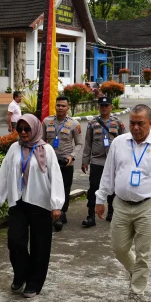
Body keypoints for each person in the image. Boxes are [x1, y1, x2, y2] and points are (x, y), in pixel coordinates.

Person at [96, 104, 151, 302]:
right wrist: (101, 198)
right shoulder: (119, 143)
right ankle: (137, 274)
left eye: (140, 123)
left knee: (144, 254)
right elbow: (108, 173)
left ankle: (135, 294)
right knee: (119, 248)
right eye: (132, 122)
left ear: (150, 123)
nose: (135, 127)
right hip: (121, 205)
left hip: (148, 206)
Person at [0, 114, 65, 298]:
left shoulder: (46, 150)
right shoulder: (14, 149)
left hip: (41, 203)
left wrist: (56, 205)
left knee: (41, 244)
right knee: (15, 242)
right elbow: (4, 174)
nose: (23, 132)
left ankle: (34, 282)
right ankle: (20, 274)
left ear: (35, 129)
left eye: (27, 129)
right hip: (18, 202)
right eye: (20, 129)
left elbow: (55, 177)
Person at [81, 95, 125, 227]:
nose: (104, 108)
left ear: (111, 107)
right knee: (94, 188)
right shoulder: (92, 123)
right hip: (97, 161)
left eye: (107, 106)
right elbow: (88, 143)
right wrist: (85, 161)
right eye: (102, 106)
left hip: (114, 162)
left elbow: (125, 142)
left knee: (114, 187)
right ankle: (91, 216)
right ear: (98, 107)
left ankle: (112, 212)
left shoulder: (117, 122)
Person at [43, 96, 82, 232]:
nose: (60, 108)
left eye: (63, 106)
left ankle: (61, 213)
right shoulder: (47, 121)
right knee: (49, 187)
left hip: (66, 162)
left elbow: (79, 144)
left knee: (64, 189)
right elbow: (41, 141)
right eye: (58, 105)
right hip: (50, 161)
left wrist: (72, 157)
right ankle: (51, 213)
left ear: (68, 108)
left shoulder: (74, 124)